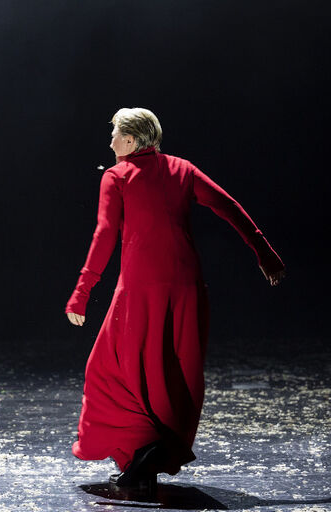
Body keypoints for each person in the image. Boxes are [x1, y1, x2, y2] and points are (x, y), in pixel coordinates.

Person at [64, 108, 284, 494]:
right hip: (186, 288)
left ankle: (143, 457)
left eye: (115, 134)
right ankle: (145, 459)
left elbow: (103, 236)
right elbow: (228, 206)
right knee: (171, 373)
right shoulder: (182, 169)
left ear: (131, 141)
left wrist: (82, 292)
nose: (110, 142)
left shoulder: (117, 176)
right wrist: (263, 252)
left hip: (140, 289)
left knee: (113, 372)